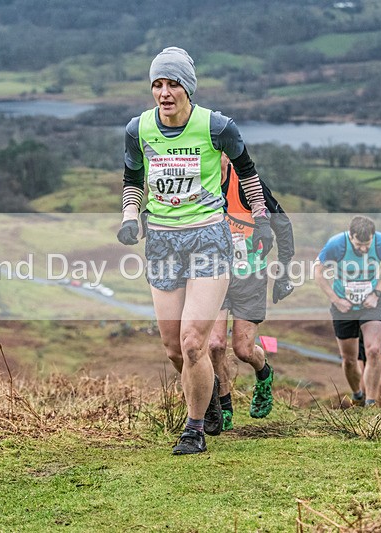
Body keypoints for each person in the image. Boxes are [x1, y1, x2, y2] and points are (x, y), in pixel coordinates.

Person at [117, 47, 274, 455]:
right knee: (174, 349)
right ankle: (210, 394)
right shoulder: (138, 130)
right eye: (157, 84)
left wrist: (260, 216)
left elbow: (248, 172)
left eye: (172, 84)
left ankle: (194, 427)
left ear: (187, 87)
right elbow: (132, 178)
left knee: (193, 342)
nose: (164, 92)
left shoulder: (217, 127)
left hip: (208, 239)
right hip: (163, 243)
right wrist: (130, 214)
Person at [208, 153, 294, 430]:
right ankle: (225, 406)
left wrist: (284, 272)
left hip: (250, 277)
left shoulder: (246, 185)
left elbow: (282, 223)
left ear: (224, 156)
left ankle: (264, 373)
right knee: (214, 345)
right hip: (212, 277)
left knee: (243, 350)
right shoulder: (198, 184)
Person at [314, 216, 381, 406]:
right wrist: (336, 300)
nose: (364, 249)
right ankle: (357, 393)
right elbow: (317, 271)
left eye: (367, 244)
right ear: (351, 237)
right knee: (350, 360)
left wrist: (377, 292)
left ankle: (371, 403)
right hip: (344, 308)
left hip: (371, 305)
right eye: (359, 244)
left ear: (373, 237)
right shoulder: (336, 244)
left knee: (374, 350)